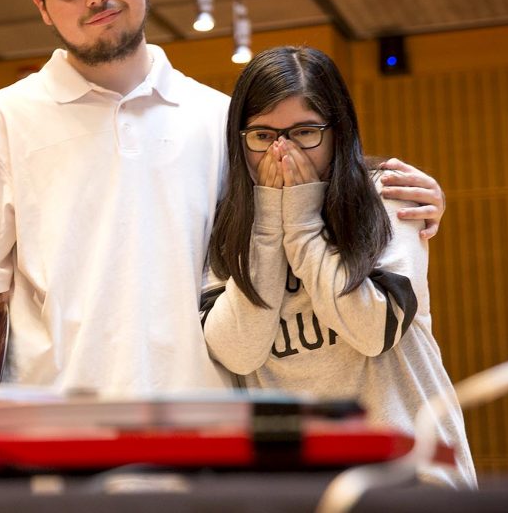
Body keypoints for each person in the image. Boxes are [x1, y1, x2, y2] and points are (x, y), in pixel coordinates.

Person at [0, 0, 445, 398]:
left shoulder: (224, 121)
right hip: (56, 435)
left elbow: (308, 208)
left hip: (209, 428)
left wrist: (399, 195)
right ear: (42, 6)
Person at [200, 46, 475, 488]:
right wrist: (271, 221)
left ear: (338, 132)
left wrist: (304, 224)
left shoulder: (388, 196)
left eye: (305, 132)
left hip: (412, 474)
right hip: (297, 484)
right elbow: (238, 352)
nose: (282, 151)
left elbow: (371, 332)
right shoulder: (222, 228)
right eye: (262, 136)